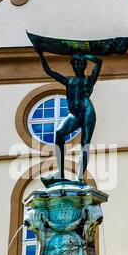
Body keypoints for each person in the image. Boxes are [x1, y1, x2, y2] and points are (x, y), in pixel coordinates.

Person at [35, 46, 102, 183]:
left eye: (79, 63)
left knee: (85, 144)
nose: (77, 66)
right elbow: (49, 71)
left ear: (83, 65)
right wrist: (40, 54)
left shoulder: (89, 81)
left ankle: (79, 178)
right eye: (75, 63)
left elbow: (99, 62)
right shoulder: (69, 82)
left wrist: (85, 55)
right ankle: (60, 173)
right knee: (59, 133)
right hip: (74, 114)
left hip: (87, 112)